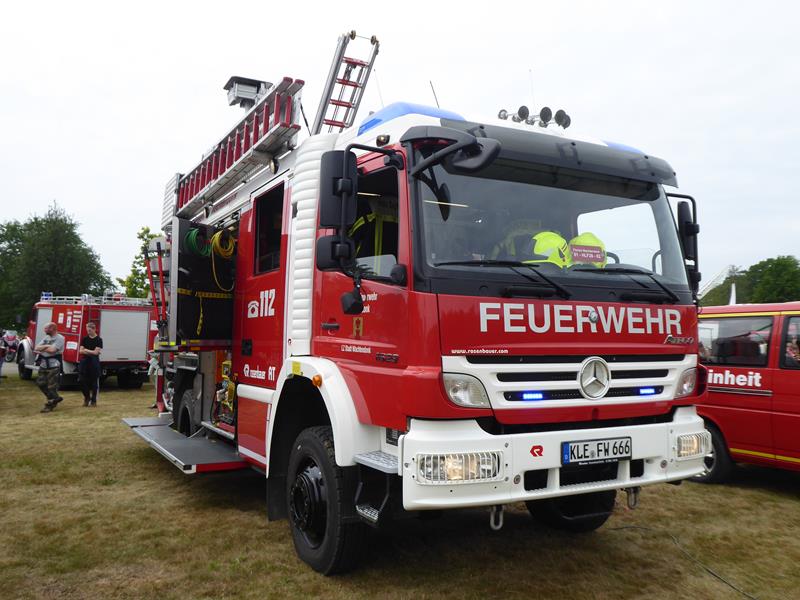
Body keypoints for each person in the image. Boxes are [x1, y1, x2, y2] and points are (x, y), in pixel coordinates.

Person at [35, 322, 65, 413]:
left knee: (51, 386)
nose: (44, 330)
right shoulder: (46, 338)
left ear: (52, 328)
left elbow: (53, 350)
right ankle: (55, 398)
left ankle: (49, 405)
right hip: (44, 364)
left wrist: (43, 348)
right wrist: (47, 346)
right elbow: (36, 347)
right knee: (41, 383)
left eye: (46, 329)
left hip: (54, 365)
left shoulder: (60, 338)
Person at [78, 322, 103, 407]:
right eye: (87, 330)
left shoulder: (99, 340)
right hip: (84, 362)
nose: (88, 332)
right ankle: (87, 397)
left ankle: (94, 400)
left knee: (94, 382)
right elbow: (81, 351)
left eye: (89, 330)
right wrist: (91, 351)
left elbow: (96, 353)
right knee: (81, 380)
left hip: (94, 362)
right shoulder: (84, 339)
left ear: (94, 329)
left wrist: (87, 350)